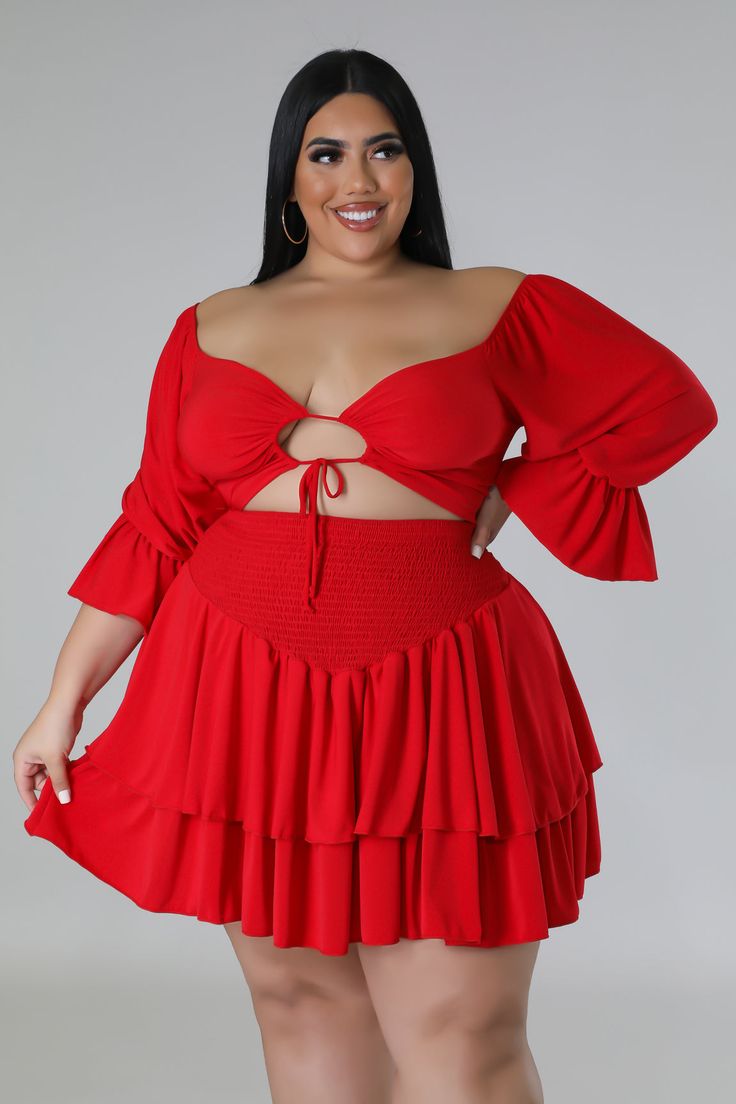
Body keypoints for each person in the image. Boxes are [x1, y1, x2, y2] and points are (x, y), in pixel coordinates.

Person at [15, 48, 718, 1104]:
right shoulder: (207, 327)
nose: (359, 179)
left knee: (460, 1034)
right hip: (242, 690)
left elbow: (668, 402)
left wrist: (518, 486)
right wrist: (61, 704)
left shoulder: (496, 303)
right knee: (302, 1009)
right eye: (327, 154)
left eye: (384, 151)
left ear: (415, 170)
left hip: (444, 687)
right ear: (289, 179)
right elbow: (156, 526)